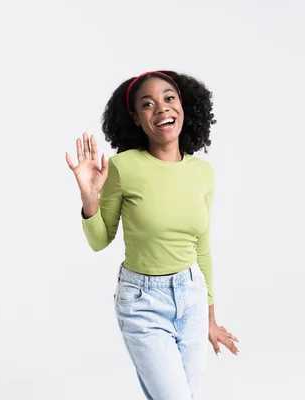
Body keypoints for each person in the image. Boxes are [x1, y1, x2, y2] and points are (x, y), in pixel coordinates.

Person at [65, 70, 240, 399]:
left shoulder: (203, 173)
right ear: (136, 118)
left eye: (169, 99)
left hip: (192, 297)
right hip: (143, 302)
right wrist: (90, 200)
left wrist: (211, 318)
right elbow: (100, 240)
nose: (162, 108)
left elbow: (202, 249)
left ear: (184, 107)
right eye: (148, 104)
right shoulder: (122, 167)